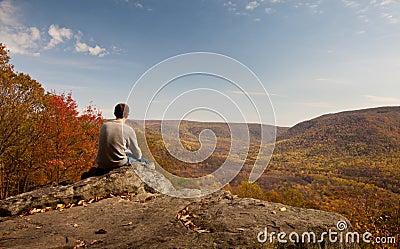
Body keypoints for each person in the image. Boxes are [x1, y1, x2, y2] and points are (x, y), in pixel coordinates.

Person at [95, 103, 151, 172]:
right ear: (126, 115)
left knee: (128, 152)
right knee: (145, 161)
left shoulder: (104, 126)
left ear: (114, 113)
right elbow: (137, 154)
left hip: (101, 163)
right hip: (116, 163)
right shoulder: (128, 129)